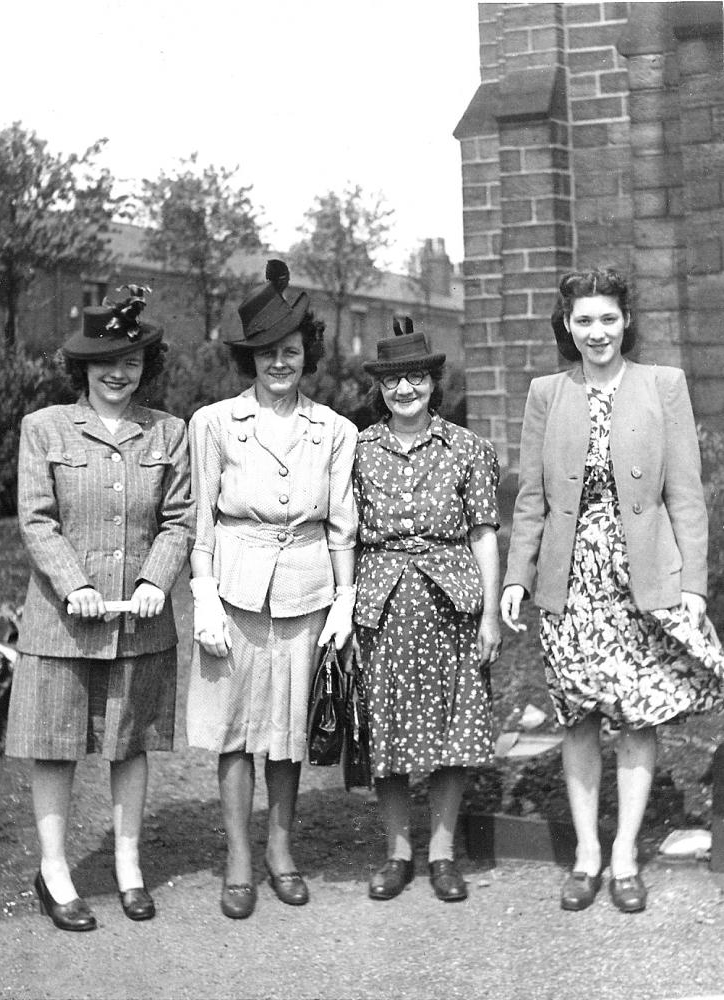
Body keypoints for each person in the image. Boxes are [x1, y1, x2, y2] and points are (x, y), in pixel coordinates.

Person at [500, 267, 724, 914]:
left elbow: (685, 495)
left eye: (606, 318)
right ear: (565, 326)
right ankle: (586, 855)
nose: (595, 332)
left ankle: (624, 853)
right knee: (578, 717)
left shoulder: (663, 386)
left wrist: (692, 587)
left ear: (625, 321)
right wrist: (518, 577)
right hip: (570, 581)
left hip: (641, 578)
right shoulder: (547, 392)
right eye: (582, 320)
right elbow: (534, 499)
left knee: (636, 716)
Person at [5, 286, 194, 931]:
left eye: (134, 361)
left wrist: (155, 581)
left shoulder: (169, 431)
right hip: (61, 622)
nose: (120, 373)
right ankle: (55, 872)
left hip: (139, 622)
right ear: (82, 368)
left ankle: (128, 864)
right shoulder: (45, 428)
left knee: (128, 743)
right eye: (106, 362)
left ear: (148, 365)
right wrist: (73, 584)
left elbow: (179, 521)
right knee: (54, 745)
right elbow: (36, 520)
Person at [186, 260, 358, 919]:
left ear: (305, 355)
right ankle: (237, 857)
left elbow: (342, 524)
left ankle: (281, 850)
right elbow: (200, 516)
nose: (279, 364)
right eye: (266, 353)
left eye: (290, 351)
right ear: (248, 358)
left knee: (287, 730)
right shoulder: (213, 424)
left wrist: (343, 602)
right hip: (233, 587)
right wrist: (202, 596)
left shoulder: (334, 430)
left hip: (306, 592)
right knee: (235, 730)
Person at [353, 318, 501, 903]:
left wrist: (489, 614)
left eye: (415, 378)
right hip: (382, 607)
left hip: (453, 609)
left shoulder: (467, 449)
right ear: (381, 389)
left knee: (450, 729)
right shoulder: (359, 451)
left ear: (433, 382)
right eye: (393, 381)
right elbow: (345, 536)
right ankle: (398, 852)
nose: (405, 390)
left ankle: (442, 852)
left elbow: (485, 534)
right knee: (386, 731)